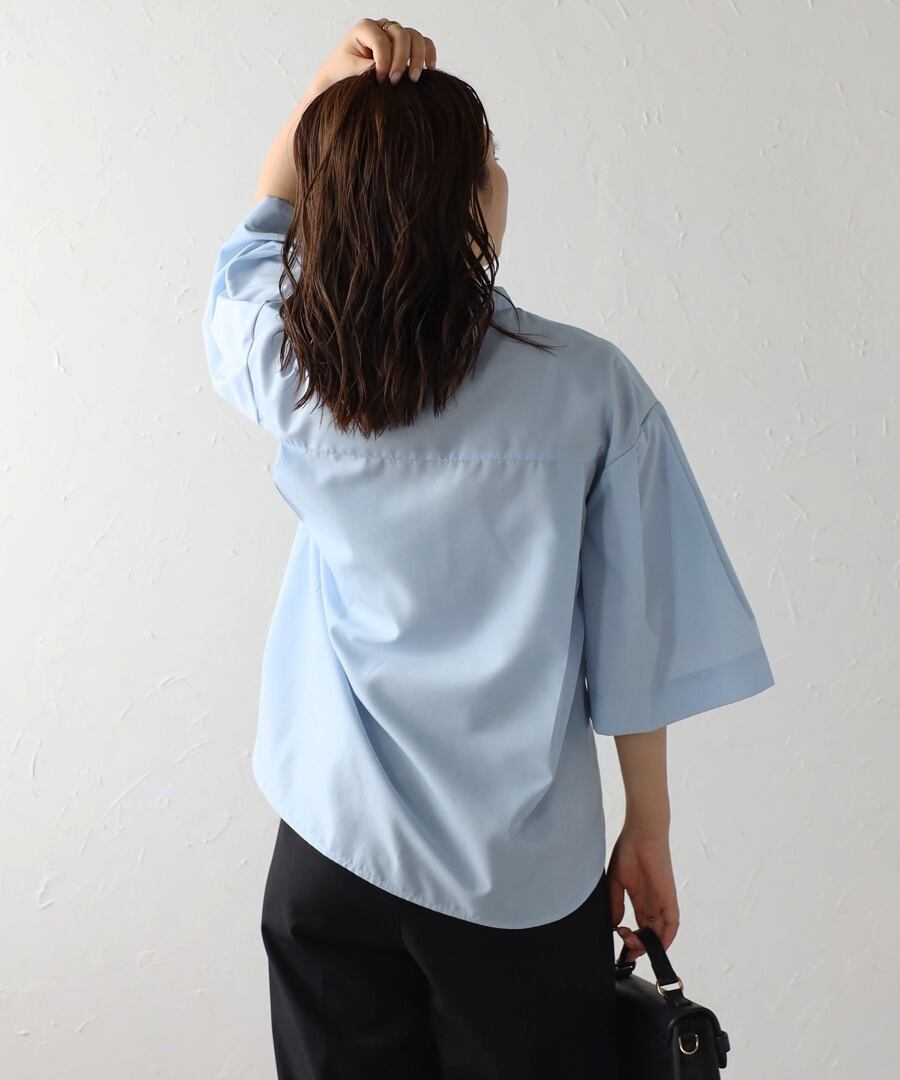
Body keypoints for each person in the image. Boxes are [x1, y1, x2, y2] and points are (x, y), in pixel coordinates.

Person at [201, 17, 775, 1080]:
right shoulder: (589, 390)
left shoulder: (298, 371)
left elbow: (250, 241)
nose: (502, 175)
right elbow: (635, 636)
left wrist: (329, 86)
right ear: (462, 204)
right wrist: (647, 825)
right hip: (515, 881)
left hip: (332, 849)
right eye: (489, 161)